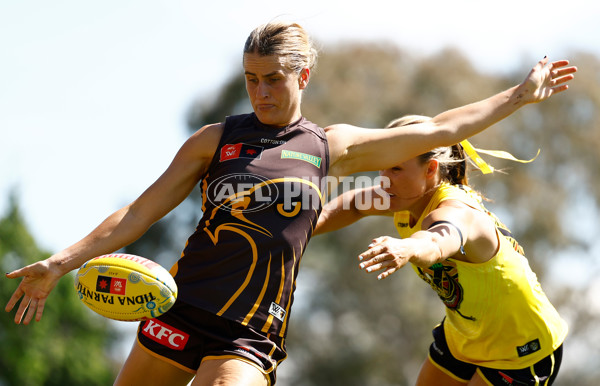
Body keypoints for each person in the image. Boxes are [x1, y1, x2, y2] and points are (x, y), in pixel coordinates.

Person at [4, 21, 576, 386]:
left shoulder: (330, 146)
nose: (260, 92)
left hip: (249, 334)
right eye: (252, 79)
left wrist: (521, 95)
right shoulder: (214, 139)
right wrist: (62, 261)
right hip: (180, 304)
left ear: (303, 75)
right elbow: (138, 212)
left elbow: (440, 129)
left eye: (274, 78)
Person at [314, 115, 568, 385]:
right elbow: (353, 204)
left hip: (522, 348)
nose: (384, 179)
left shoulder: (455, 210)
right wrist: (297, 230)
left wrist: (407, 247)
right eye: (381, 167)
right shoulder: (403, 197)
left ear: (430, 169)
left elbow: (437, 241)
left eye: (395, 169)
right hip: (464, 337)